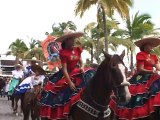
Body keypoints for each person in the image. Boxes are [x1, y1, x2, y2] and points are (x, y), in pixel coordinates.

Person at [40, 29, 95, 120]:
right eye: (71, 39)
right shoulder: (63, 53)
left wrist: (81, 67)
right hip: (66, 74)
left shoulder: (77, 50)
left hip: (77, 72)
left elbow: (81, 62)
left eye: (73, 39)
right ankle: (64, 113)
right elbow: (65, 70)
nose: (73, 41)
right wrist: (69, 82)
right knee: (58, 91)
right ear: (66, 41)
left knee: (91, 76)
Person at [109, 37, 160, 120]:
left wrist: (156, 68)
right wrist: (152, 72)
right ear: (144, 47)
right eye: (149, 45)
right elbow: (140, 69)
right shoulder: (141, 54)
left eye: (152, 46)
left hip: (153, 75)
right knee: (137, 95)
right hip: (142, 76)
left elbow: (158, 66)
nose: (151, 47)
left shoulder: (154, 56)